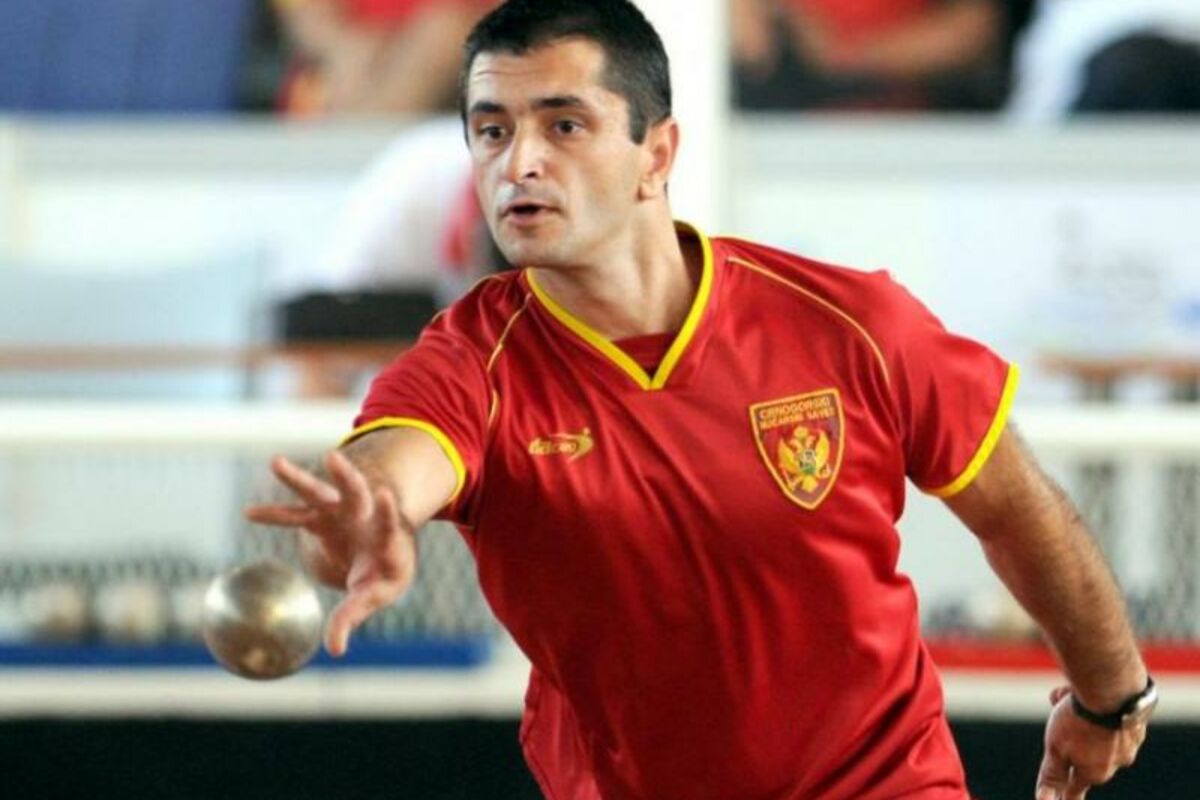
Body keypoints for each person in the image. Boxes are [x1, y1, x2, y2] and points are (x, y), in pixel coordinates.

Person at [246, 1, 1155, 797]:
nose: (519, 162)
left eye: (564, 125)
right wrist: (364, 519)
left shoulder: (852, 324)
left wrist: (1110, 697)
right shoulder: (469, 362)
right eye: (491, 131)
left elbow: (1016, 511)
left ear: (658, 154)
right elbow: (390, 473)